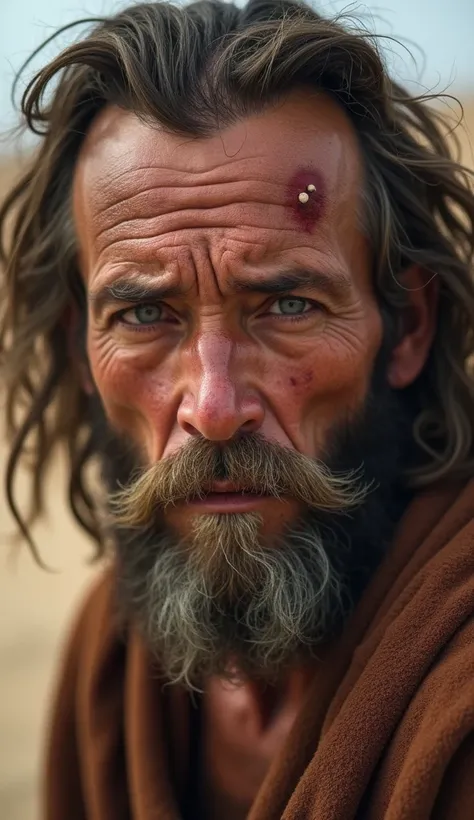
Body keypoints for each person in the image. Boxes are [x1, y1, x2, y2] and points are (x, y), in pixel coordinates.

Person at [1, 0, 474, 817]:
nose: (215, 409)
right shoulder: (113, 662)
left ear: (408, 325)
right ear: (83, 347)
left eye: (286, 305)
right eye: (146, 315)